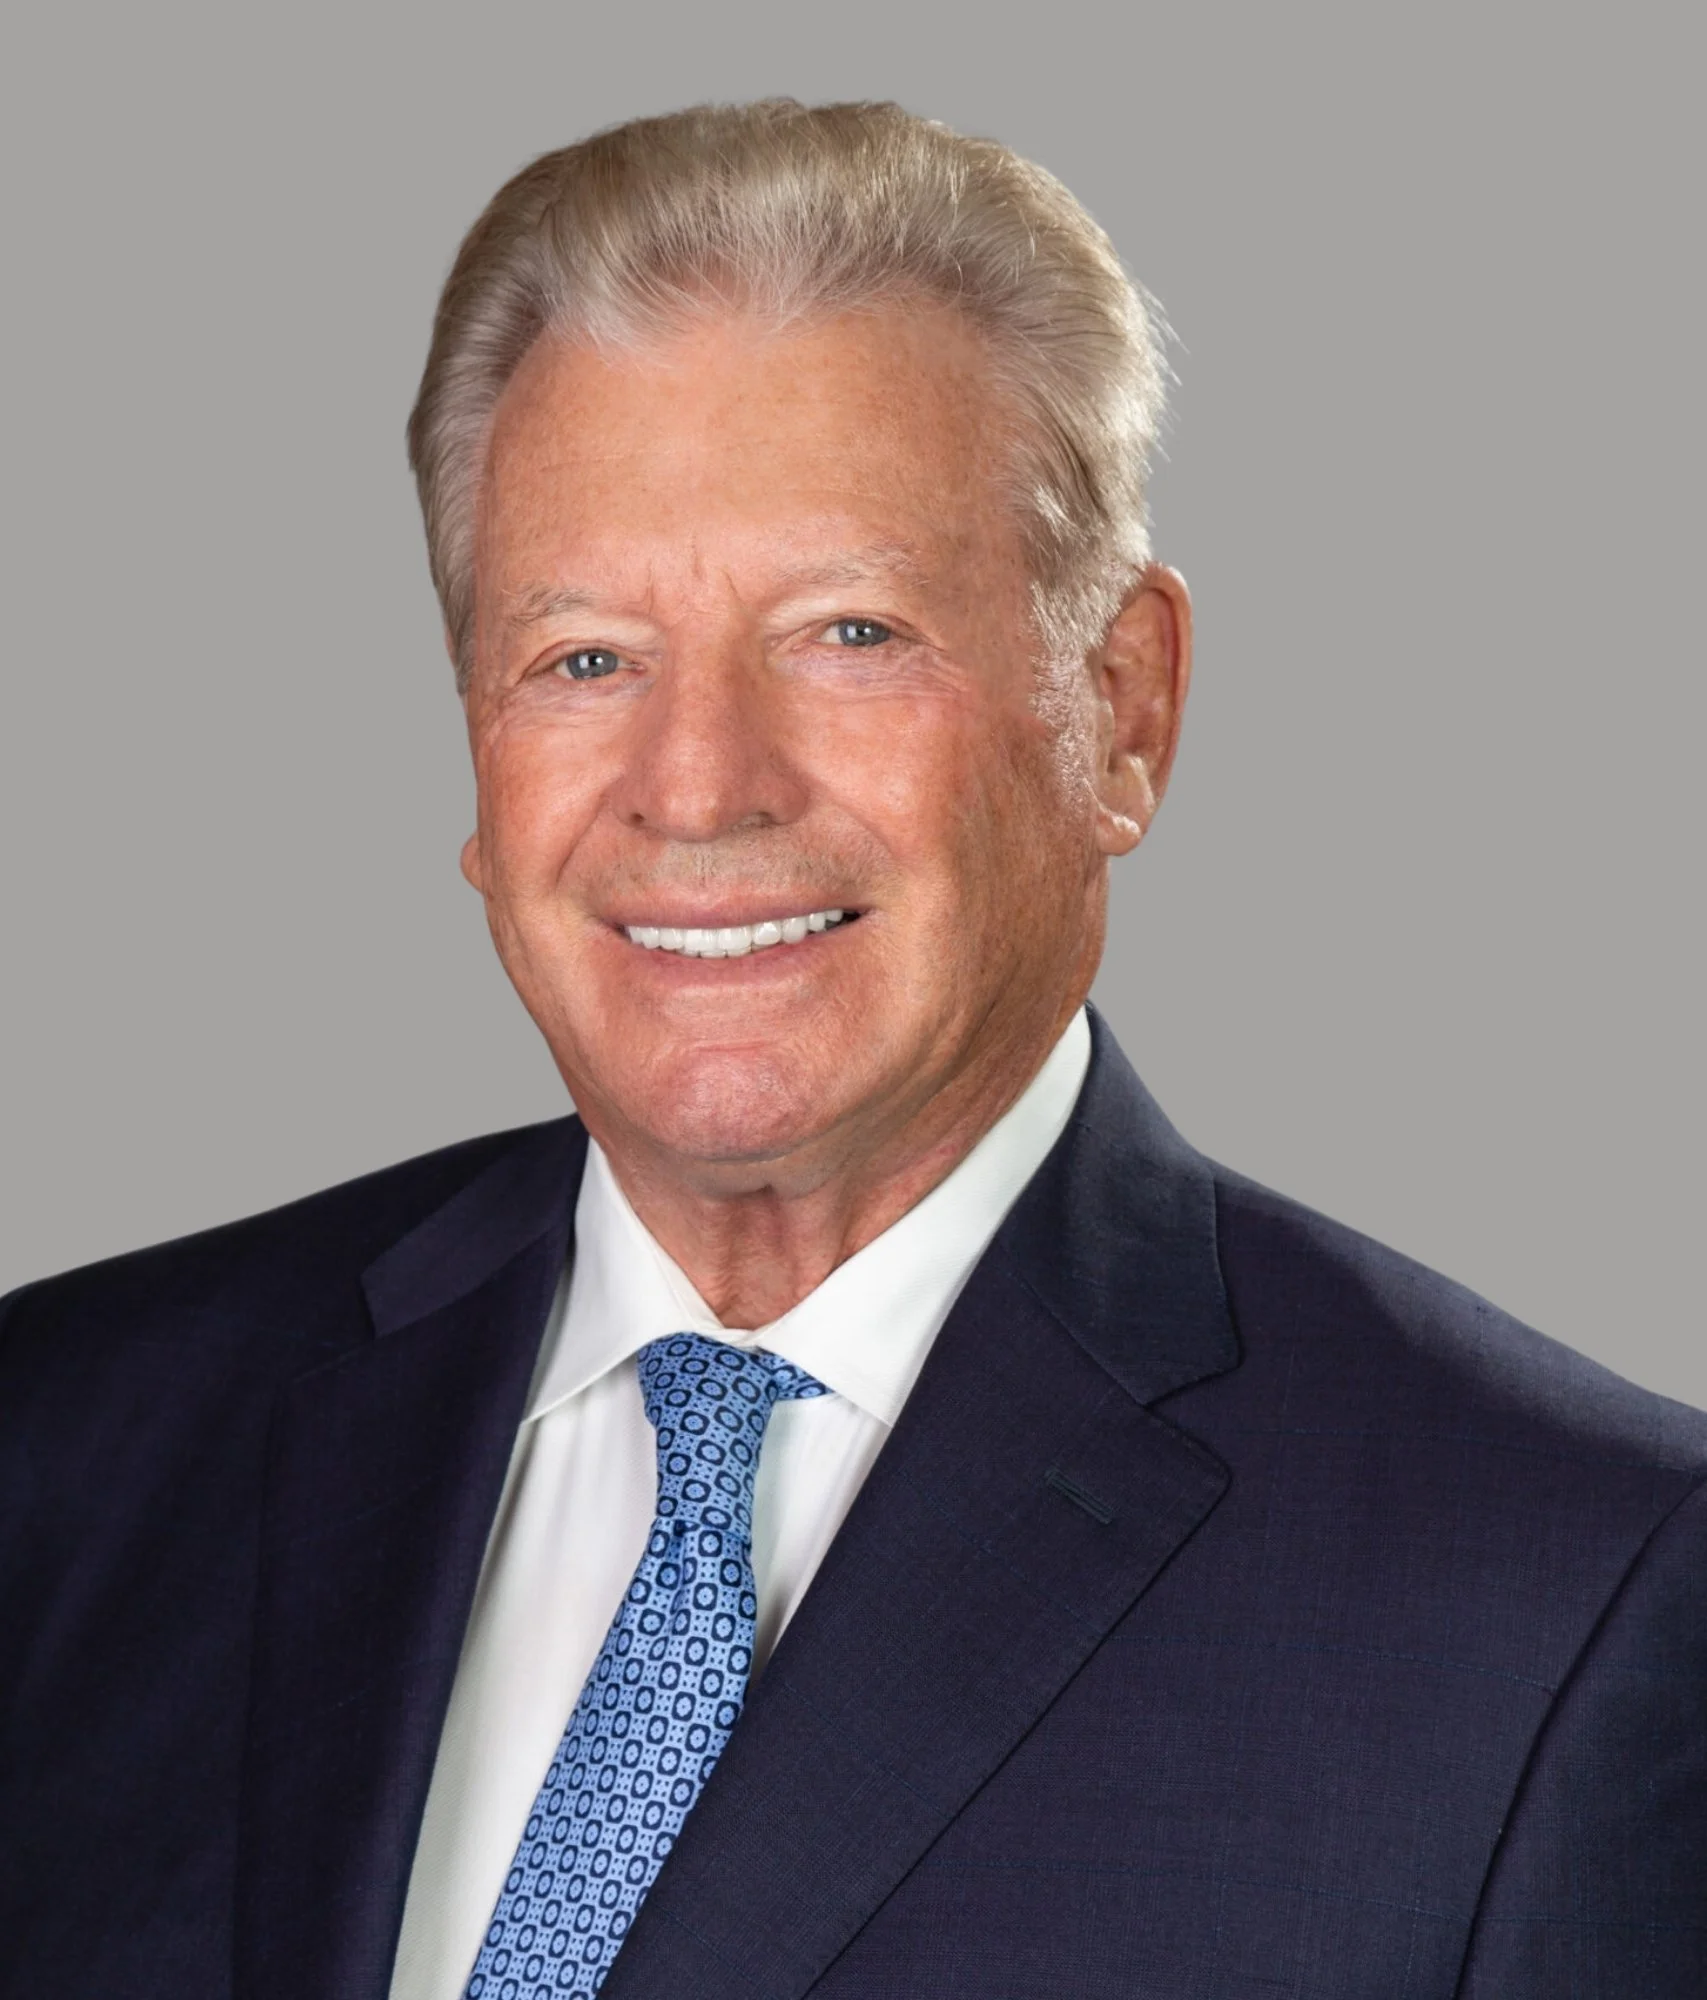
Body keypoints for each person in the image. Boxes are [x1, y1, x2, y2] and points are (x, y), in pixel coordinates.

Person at [1, 97, 1702, 2000]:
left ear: (1120, 710)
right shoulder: (70, 1444)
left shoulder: (1573, 1596)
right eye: (582, 658)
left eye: (848, 631)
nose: (699, 784)